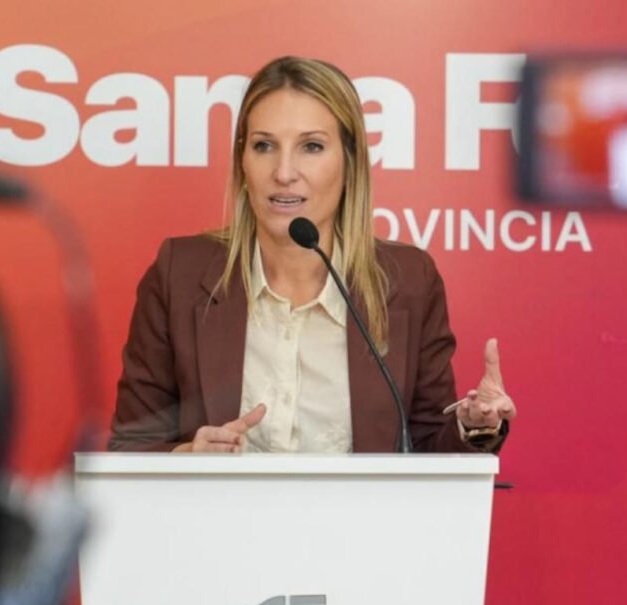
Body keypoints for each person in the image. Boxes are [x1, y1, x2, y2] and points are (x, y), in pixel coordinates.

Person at [108, 56, 517, 453]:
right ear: (243, 161)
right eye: (264, 145)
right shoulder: (180, 273)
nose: (284, 172)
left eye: (312, 146)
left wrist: (473, 428)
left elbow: (425, 449)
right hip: (214, 522)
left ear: (349, 161)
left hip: (361, 524)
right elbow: (130, 448)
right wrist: (186, 460)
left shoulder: (409, 280)